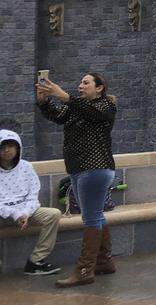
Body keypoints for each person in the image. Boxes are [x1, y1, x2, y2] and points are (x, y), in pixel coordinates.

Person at [35, 73, 117, 288]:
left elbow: (89, 112)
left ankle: (84, 270)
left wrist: (65, 96)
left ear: (99, 88)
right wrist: (44, 101)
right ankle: (104, 261)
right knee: (95, 215)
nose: (81, 85)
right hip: (80, 169)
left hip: (95, 169)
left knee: (90, 218)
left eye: (86, 83)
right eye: (80, 82)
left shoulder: (105, 106)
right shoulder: (77, 107)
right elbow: (59, 116)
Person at [0, 129, 62, 276]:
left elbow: (33, 196)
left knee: (53, 214)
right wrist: (15, 214)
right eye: (2, 147)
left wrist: (25, 213)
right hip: (4, 214)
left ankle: (35, 261)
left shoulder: (26, 167)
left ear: (18, 148)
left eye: (11, 146)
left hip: (25, 212)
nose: (7, 150)